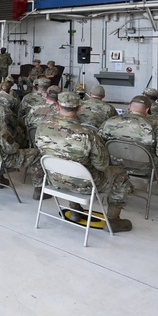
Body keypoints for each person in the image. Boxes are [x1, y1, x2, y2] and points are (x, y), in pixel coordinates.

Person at [34, 90, 134, 232]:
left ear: (57, 106)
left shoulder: (42, 128)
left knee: (68, 165)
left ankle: (75, 210)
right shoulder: (87, 134)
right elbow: (102, 165)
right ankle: (113, 220)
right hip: (84, 184)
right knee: (120, 174)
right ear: (80, 108)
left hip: (53, 179)